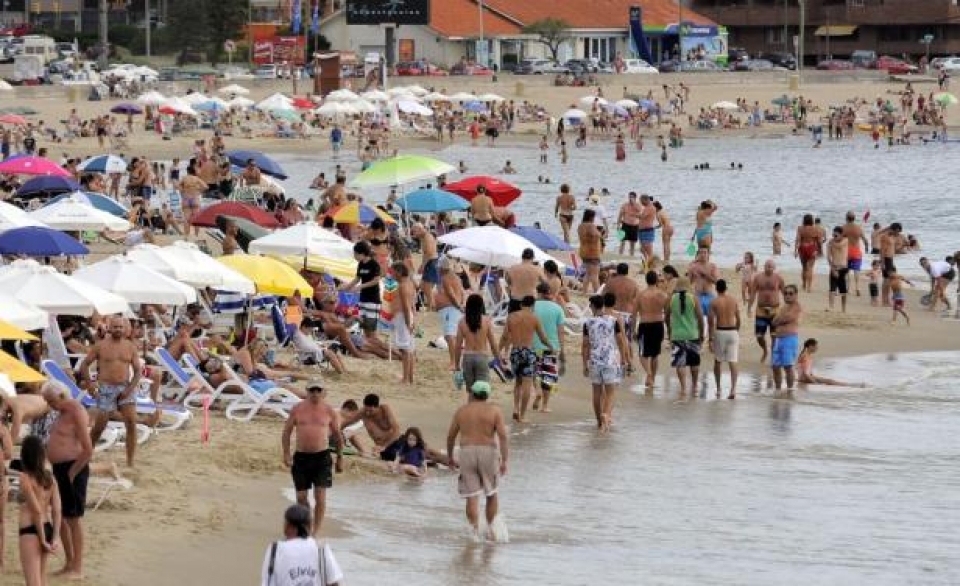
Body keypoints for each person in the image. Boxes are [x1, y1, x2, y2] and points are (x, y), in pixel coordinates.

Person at [446, 381, 509, 542]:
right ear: (487, 395)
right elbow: (503, 436)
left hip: (467, 452)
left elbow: (451, 436)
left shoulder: (462, 411)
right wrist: (504, 460)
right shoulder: (494, 410)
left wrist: (450, 457)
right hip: (488, 452)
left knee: (472, 496)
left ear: (472, 394)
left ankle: (474, 533)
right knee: (491, 493)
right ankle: (491, 531)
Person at [42, 380, 93, 580]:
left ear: (62, 395)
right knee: (61, 517)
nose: (49, 405)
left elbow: (88, 449)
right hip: (59, 469)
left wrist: (72, 473)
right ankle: (69, 563)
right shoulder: (62, 412)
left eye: (51, 401)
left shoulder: (76, 411)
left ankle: (77, 568)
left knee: (73, 519)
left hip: (72, 468)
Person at [76, 315, 141, 468]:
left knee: (131, 423)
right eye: (115, 327)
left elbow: (138, 371)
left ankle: (130, 461)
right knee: (99, 427)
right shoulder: (100, 346)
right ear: (110, 328)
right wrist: (90, 385)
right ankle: (86, 456)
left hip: (125, 386)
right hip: (106, 387)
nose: (118, 329)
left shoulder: (130, 346)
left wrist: (129, 389)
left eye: (121, 327)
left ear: (125, 329)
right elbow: (84, 365)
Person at [282, 382, 343, 536]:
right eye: (312, 390)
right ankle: (307, 524)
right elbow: (287, 432)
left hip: (322, 457)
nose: (315, 393)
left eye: (318, 390)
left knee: (320, 496)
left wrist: (340, 458)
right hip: (301, 457)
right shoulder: (297, 409)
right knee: (301, 498)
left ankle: (315, 531)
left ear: (323, 392)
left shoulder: (329, 411)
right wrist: (286, 454)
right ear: (307, 391)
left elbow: (337, 435)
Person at [499, 296, 552, 423]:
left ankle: (516, 408)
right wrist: (551, 347)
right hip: (528, 352)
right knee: (527, 384)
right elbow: (543, 338)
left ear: (521, 304)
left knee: (518, 382)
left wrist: (498, 350)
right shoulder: (534, 318)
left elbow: (505, 336)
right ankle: (522, 415)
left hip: (516, 351)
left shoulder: (511, 316)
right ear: (533, 305)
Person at [260, 504, 343, 586]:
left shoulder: (275, 549)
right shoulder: (321, 548)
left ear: (287, 526)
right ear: (310, 526)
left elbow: (268, 582)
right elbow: (334, 582)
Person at [17, 435, 61, 586]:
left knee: (33, 582)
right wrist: (54, 537)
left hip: (32, 530)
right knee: (42, 579)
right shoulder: (50, 478)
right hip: (47, 527)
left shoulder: (25, 478)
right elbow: (57, 510)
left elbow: (36, 510)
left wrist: (42, 539)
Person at [582, 295, 628, 431]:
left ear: (592, 306)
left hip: (595, 361)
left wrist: (584, 364)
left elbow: (585, 345)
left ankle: (598, 421)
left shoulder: (587, 323)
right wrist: (623, 358)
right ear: (602, 306)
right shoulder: (613, 321)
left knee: (596, 392)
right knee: (610, 392)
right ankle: (606, 415)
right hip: (610, 360)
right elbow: (620, 341)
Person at [666, 277, 704, 399]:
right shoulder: (693, 298)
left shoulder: (672, 299)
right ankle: (695, 386)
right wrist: (702, 333)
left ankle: (683, 388)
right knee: (694, 362)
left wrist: (669, 331)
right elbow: (700, 317)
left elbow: (666, 316)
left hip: (677, 335)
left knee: (680, 363)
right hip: (692, 334)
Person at [453, 294, 498, 394]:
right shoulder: (486, 321)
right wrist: (498, 358)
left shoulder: (462, 322)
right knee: (482, 391)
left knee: (471, 391)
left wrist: (456, 365)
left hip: (468, 357)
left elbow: (458, 346)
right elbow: (493, 343)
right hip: (482, 357)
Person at [532, 282, 565, 413]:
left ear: (538, 292)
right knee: (548, 376)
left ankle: (537, 390)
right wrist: (562, 349)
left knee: (534, 372)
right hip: (551, 346)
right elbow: (561, 332)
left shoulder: (532, 306)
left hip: (533, 344)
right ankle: (545, 406)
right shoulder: (557, 308)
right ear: (549, 293)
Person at [634, 270, 669, 390]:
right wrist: (668, 328)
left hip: (645, 324)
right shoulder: (663, 295)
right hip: (658, 324)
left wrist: (633, 329)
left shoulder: (641, 295)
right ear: (656, 280)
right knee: (655, 354)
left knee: (642, 353)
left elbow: (634, 313)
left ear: (646, 280)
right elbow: (668, 313)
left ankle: (649, 373)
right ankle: (652, 378)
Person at [708, 279, 741, 399]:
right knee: (733, 361)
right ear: (726, 288)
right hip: (732, 331)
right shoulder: (733, 300)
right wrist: (736, 331)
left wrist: (710, 339)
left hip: (720, 331)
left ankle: (718, 389)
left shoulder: (714, 302)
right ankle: (733, 389)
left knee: (718, 361)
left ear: (716, 289)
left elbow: (711, 322)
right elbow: (738, 319)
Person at [604, 263, 639, 372]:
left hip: (613, 312)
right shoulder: (633, 284)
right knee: (627, 340)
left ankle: (616, 361)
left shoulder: (610, 283)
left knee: (612, 340)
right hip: (627, 314)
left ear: (617, 271)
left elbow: (603, 296)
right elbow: (636, 302)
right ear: (627, 271)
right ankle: (629, 363)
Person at [749, 259, 785, 364]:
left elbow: (785, 293)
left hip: (775, 310)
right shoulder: (758, 277)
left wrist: (788, 308)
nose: (769, 268)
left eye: (771, 266)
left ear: (774, 268)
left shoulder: (778, 278)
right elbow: (753, 293)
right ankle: (765, 350)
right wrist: (749, 307)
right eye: (767, 266)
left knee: (774, 336)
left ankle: (773, 356)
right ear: (764, 266)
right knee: (759, 336)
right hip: (761, 310)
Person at [770, 284, 802, 395]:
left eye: (790, 293)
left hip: (789, 339)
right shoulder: (784, 307)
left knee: (788, 366)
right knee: (775, 366)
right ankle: (778, 389)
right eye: (785, 293)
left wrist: (780, 319)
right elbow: (774, 322)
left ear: (796, 295)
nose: (787, 296)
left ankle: (790, 391)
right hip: (779, 339)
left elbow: (788, 318)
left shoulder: (796, 307)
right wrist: (780, 319)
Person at [435, 257, 466, 370]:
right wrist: (461, 305)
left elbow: (451, 293)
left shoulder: (446, 278)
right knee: (453, 336)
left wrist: (458, 306)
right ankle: (455, 362)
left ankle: (454, 362)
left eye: (439, 268)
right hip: (454, 309)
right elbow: (462, 292)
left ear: (442, 268)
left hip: (451, 309)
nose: (437, 270)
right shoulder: (456, 277)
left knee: (450, 335)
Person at [797, 339, 866, 387]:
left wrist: (813, 377)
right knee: (830, 381)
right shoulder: (805, 356)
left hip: (805, 377)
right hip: (804, 378)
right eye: (816, 346)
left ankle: (851, 385)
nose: (817, 348)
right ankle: (851, 385)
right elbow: (805, 373)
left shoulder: (807, 355)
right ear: (810, 346)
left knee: (829, 381)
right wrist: (815, 383)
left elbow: (808, 371)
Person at [390, 262, 417, 384]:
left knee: (405, 349)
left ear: (399, 272)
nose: (392, 275)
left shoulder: (402, 286)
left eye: (393, 272)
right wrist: (412, 320)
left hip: (403, 317)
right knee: (409, 348)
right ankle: (410, 378)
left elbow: (406, 306)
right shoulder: (410, 283)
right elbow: (412, 305)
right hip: (407, 316)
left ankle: (405, 378)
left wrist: (407, 322)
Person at [842, 211, 870, 296]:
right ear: (854, 218)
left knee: (846, 271)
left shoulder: (843, 228)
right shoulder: (858, 228)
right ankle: (857, 287)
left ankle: (847, 288)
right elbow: (865, 240)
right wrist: (866, 248)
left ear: (846, 218)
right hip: (856, 251)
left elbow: (839, 239)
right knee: (856, 270)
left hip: (846, 251)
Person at [687, 246, 719, 322]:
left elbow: (716, 282)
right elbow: (688, 282)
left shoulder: (712, 266)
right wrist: (691, 273)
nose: (703, 254)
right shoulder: (693, 266)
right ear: (698, 254)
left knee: (711, 320)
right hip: (697, 295)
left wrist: (705, 274)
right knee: (697, 319)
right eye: (701, 252)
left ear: (708, 254)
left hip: (710, 295)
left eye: (705, 252)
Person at [411, 223, 439, 310]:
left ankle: (431, 306)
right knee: (423, 286)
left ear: (420, 229)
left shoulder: (427, 237)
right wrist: (422, 264)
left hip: (431, 262)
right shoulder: (424, 237)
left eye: (415, 232)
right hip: (430, 262)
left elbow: (429, 253)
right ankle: (431, 305)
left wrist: (423, 265)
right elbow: (426, 254)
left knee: (427, 287)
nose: (414, 234)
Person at [795, 214, 822, 293]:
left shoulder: (800, 228)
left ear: (804, 220)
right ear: (812, 220)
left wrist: (795, 250)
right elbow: (819, 241)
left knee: (804, 268)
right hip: (811, 248)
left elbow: (797, 240)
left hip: (802, 248)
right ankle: (809, 287)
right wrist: (820, 251)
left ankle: (804, 284)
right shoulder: (816, 229)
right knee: (810, 268)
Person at [578, 209, 603, 294]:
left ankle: (584, 291)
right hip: (592, 253)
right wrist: (600, 232)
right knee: (595, 275)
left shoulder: (580, 226)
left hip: (583, 251)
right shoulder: (591, 225)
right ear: (591, 217)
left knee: (588, 274)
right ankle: (597, 293)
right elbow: (595, 235)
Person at [827, 226, 850, 312]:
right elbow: (829, 257)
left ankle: (843, 309)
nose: (834, 237)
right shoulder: (830, 243)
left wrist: (831, 243)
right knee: (832, 289)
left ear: (841, 235)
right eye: (833, 235)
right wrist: (833, 269)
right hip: (835, 267)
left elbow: (840, 244)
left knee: (843, 291)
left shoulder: (846, 241)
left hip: (844, 268)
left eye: (836, 235)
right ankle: (831, 307)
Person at [616, 192, 642, 257]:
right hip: (625, 225)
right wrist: (618, 226)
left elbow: (641, 216)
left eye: (632, 197)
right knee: (622, 242)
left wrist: (634, 205)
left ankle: (631, 256)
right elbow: (620, 216)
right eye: (629, 197)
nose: (630, 198)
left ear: (635, 198)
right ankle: (620, 256)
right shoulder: (624, 205)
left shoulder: (638, 205)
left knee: (632, 244)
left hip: (635, 226)